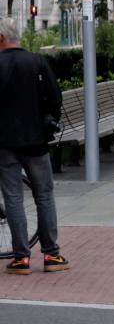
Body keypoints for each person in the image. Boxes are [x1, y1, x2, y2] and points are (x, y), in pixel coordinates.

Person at [0, 17, 69, 274]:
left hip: (5, 143)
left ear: (1, 39)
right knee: (44, 194)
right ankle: (52, 255)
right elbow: (55, 98)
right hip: (36, 141)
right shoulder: (37, 62)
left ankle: (21, 258)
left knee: (13, 198)